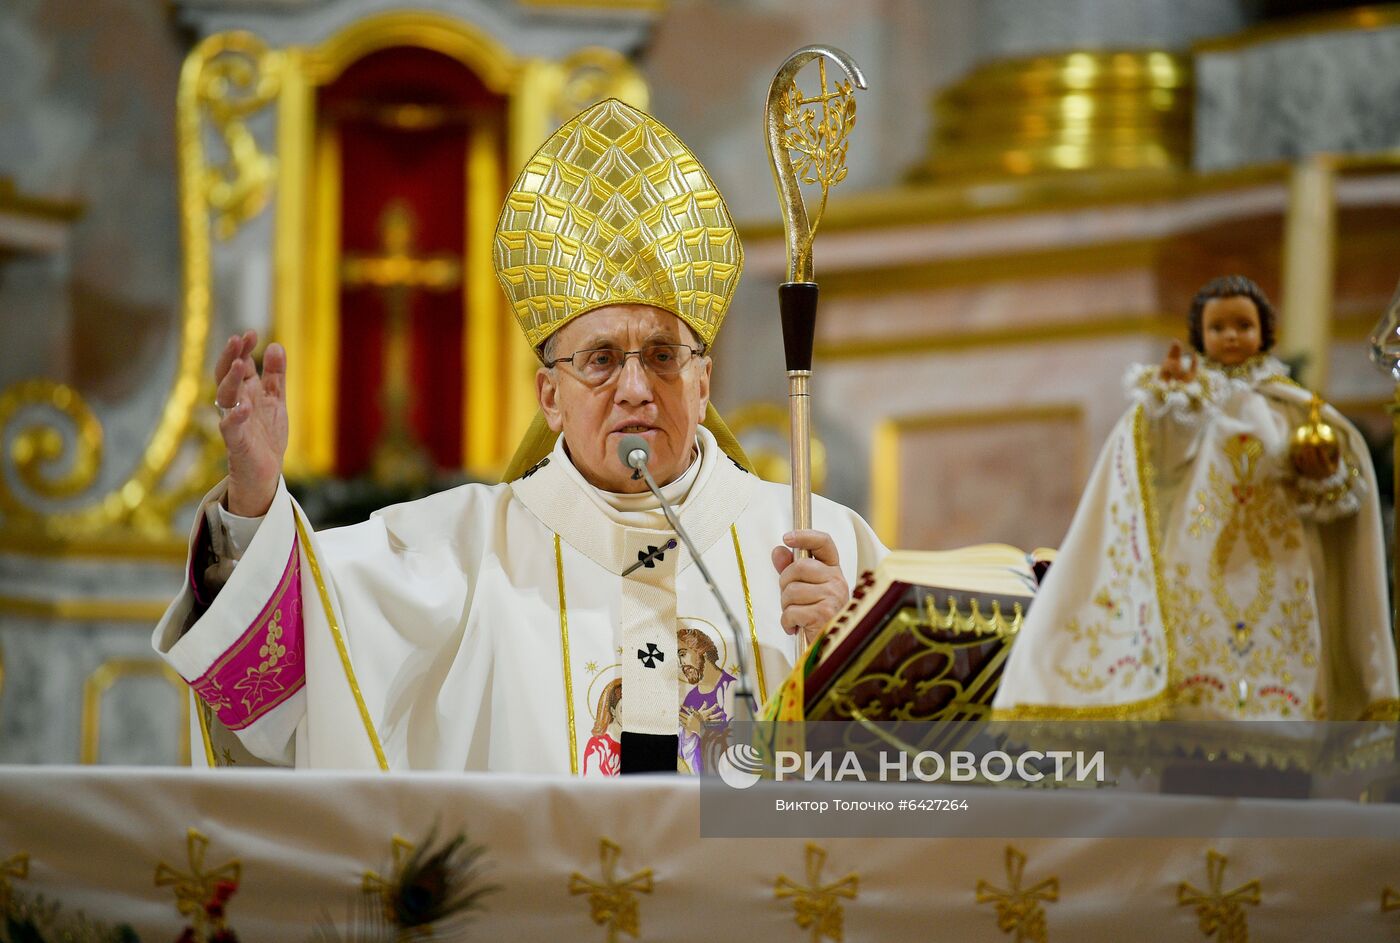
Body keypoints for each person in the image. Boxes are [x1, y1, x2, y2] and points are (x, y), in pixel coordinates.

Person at [152, 98, 886, 772]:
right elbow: (285, 675)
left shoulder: (819, 545)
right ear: (550, 396)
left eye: (663, 356)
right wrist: (253, 495)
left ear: (702, 381)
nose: (635, 386)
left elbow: (939, 793)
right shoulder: (460, 555)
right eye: (600, 359)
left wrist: (845, 656)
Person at [993, 275, 1398, 722]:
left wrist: (1324, 471)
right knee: (1198, 657)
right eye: (1218, 327)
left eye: (1242, 325)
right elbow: (1161, 460)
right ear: (1199, 336)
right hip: (1201, 559)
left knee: (1282, 652)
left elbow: (1331, 492)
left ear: (1264, 332)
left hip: (1280, 563)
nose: (1231, 336)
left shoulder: (1293, 409)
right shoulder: (1188, 401)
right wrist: (1172, 403)